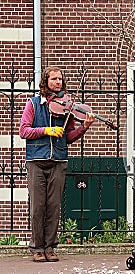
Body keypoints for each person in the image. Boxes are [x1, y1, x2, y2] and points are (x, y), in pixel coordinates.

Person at [19, 66, 95, 262]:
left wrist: (84, 127)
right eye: (54, 79)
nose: (58, 82)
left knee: (54, 206)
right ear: (45, 82)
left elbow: (68, 137)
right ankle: (37, 248)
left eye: (60, 79)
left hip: (59, 160)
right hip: (36, 160)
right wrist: (47, 130)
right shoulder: (34, 104)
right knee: (38, 207)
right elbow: (24, 131)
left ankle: (50, 247)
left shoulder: (66, 106)